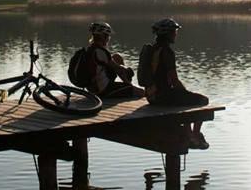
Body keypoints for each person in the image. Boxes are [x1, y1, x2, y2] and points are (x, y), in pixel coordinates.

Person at [142, 18, 209, 149]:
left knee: (185, 100)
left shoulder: (152, 49)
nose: (175, 34)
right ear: (167, 34)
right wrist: (186, 92)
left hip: (151, 97)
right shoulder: (167, 52)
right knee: (202, 100)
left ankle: (188, 133)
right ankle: (194, 135)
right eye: (174, 32)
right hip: (163, 97)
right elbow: (174, 80)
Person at [81, 21, 143, 99]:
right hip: (102, 91)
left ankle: (128, 85)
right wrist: (127, 70)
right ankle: (129, 87)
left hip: (92, 89)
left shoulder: (90, 49)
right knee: (141, 92)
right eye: (108, 36)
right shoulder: (100, 51)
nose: (109, 38)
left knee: (116, 57)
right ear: (104, 36)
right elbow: (117, 68)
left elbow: (113, 64)